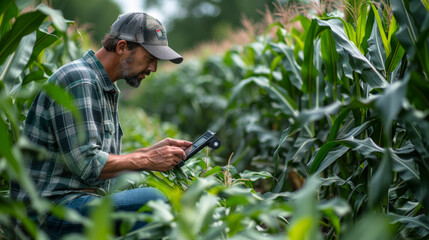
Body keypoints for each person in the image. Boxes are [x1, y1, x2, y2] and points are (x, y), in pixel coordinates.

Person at [10, 12, 191, 239]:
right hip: (46, 213)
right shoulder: (80, 80)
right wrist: (148, 160)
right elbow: (88, 165)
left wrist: (151, 152)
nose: (153, 68)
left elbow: (97, 159)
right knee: (153, 201)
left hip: (72, 203)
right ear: (122, 47)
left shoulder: (101, 85)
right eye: (150, 57)